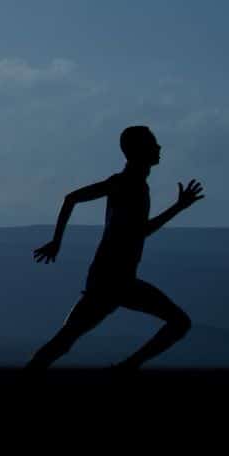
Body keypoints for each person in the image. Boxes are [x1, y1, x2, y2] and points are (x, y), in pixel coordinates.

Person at [26, 126, 203, 370]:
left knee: (65, 340)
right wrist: (57, 241)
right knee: (179, 322)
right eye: (153, 143)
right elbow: (73, 199)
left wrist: (178, 207)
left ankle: (124, 368)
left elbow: (136, 231)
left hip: (113, 278)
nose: (159, 147)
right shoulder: (125, 183)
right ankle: (127, 368)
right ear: (139, 150)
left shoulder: (133, 184)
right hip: (113, 279)